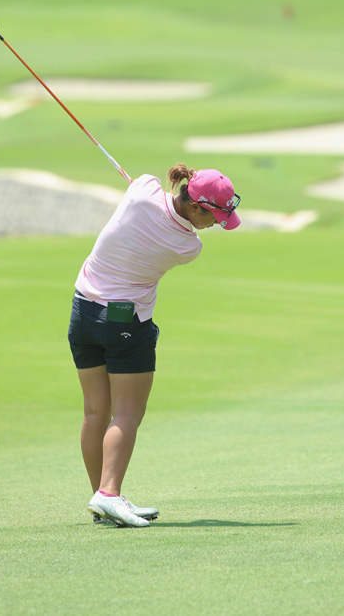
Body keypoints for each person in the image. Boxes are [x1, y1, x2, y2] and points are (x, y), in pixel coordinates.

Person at [68, 164, 241, 527]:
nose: (216, 223)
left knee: (95, 412)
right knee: (127, 412)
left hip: (82, 311)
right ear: (196, 207)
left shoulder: (142, 191)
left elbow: (145, 187)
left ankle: (103, 497)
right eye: (215, 216)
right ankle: (108, 495)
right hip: (125, 322)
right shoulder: (188, 246)